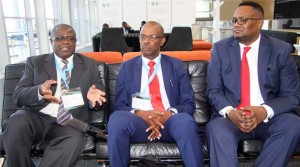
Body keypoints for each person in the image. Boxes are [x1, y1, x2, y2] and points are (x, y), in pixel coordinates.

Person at [205, 1, 300, 167]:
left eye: (243, 20)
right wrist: (230, 112)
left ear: (259, 23)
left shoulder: (280, 51)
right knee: (216, 129)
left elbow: (291, 96)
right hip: (231, 117)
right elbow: (213, 91)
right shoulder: (220, 50)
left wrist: (264, 110)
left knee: (293, 124)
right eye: (234, 20)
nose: (236, 25)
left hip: (269, 117)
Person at [2, 24, 106, 167]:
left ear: (75, 42)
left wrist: (93, 100)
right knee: (16, 122)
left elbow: (100, 100)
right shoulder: (35, 63)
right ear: (51, 41)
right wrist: (38, 91)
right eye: (59, 38)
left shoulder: (89, 65)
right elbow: (18, 96)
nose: (65, 42)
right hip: (37, 117)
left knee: (74, 139)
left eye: (70, 38)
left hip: (69, 121)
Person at [107, 21, 204, 167]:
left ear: (162, 41)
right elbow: (120, 105)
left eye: (152, 37)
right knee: (117, 120)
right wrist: (141, 113)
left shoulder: (176, 65)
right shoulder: (127, 67)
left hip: (170, 122)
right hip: (138, 123)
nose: (145, 41)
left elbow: (189, 104)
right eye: (142, 36)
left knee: (185, 122)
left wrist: (168, 114)